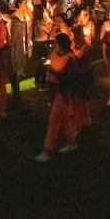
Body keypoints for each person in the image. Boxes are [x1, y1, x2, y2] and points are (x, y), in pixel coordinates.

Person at [35, 33, 79, 162]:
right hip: (53, 91)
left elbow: (70, 78)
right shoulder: (55, 53)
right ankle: (72, 142)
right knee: (64, 119)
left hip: (63, 92)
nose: (54, 44)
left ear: (61, 44)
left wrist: (55, 73)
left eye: (56, 42)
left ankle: (47, 150)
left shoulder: (70, 59)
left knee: (54, 120)